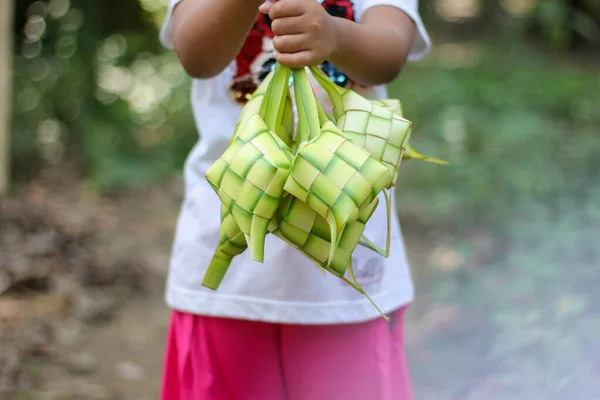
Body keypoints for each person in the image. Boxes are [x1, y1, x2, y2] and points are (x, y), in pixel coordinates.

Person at [159, 0, 430, 398]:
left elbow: (388, 53)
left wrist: (335, 34)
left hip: (346, 268)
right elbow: (197, 55)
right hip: (229, 273)